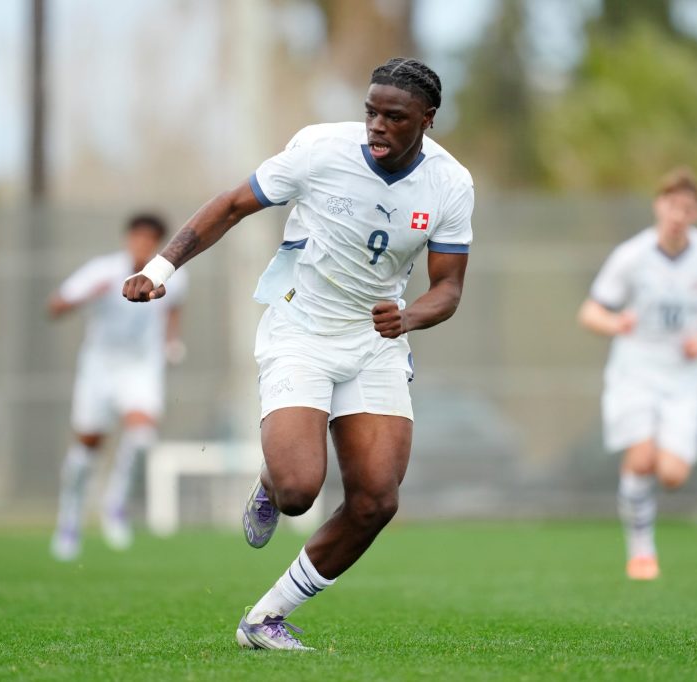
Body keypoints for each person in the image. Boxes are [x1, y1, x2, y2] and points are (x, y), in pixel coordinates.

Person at [124, 58, 473, 649]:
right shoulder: (320, 150)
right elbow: (232, 205)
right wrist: (159, 269)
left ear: (428, 119)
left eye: (395, 117)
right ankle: (270, 479)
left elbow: (449, 288)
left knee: (376, 501)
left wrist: (409, 316)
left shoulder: (451, 184)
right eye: (371, 112)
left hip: (376, 341)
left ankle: (265, 618)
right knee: (297, 491)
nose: (377, 126)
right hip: (301, 328)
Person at [578, 168, 697, 581]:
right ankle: (641, 551)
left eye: (687, 208)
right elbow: (590, 312)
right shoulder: (631, 256)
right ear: (658, 206)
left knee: (671, 473)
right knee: (641, 457)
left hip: (684, 379)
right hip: (634, 372)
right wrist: (617, 323)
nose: (678, 215)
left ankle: (645, 534)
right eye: (672, 205)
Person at [49, 213, 187, 561]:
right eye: (138, 237)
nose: (143, 244)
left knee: (143, 437)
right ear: (128, 239)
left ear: (157, 243)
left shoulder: (173, 275)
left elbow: (174, 306)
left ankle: (115, 503)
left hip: (141, 367)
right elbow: (55, 306)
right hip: (99, 368)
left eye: (150, 239)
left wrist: (172, 340)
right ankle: (69, 519)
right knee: (87, 448)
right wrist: (84, 296)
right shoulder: (103, 271)